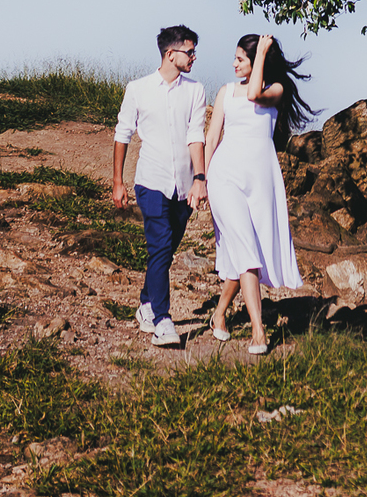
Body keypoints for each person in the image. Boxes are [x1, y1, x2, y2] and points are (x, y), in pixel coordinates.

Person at [205, 32, 313, 354]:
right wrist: (205, 181)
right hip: (224, 177)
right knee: (247, 252)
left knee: (246, 251)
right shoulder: (226, 92)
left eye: (241, 58)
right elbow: (212, 139)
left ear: (256, 62)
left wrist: (264, 52)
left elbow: (254, 93)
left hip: (260, 180)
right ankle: (258, 330)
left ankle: (219, 314)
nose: (234, 63)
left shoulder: (276, 90)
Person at [112, 23, 208, 348]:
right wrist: (117, 182)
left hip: (183, 185)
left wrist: (199, 179)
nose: (194, 56)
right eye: (189, 51)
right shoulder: (137, 89)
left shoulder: (195, 90)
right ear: (171, 53)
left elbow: (197, 135)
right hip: (150, 182)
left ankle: (146, 303)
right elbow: (122, 134)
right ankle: (163, 321)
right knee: (160, 244)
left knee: (164, 252)